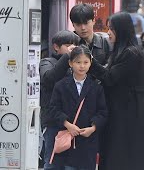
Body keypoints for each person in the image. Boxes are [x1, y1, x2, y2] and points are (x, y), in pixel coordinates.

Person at [89, 11, 144, 170]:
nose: (108, 32)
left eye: (112, 28)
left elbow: (110, 77)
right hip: (121, 112)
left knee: (123, 157)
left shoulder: (131, 53)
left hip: (128, 115)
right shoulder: (121, 52)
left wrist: (89, 61)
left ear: (122, 30)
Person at [49, 45, 108, 170]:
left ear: (91, 63)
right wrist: (68, 125)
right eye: (78, 62)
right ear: (70, 63)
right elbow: (53, 109)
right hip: (68, 139)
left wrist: (93, 128)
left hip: (88, 141)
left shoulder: (96, 87)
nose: (82, 66)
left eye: (86, 62)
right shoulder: (61, 86)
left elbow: (103, 111)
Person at [39, 30, 79, 170]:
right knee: (52, 163)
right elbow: (49, 79)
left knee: (71, 165)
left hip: (73, 124)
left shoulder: (75, 65)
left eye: (74, 45)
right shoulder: (46, 62)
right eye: (68, 45)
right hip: (53, 123)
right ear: (56, 46)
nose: (72, 48)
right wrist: (67, 57)